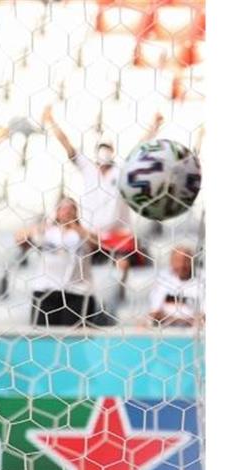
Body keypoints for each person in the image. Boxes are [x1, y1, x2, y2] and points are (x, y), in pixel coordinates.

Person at [43, 105, 163, 276]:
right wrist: (50, 121)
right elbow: (67, 146)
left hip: (118, 237)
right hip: (91, 237)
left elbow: (140, 148)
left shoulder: (121, 171)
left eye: (108, 147)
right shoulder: (88, 168)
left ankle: (118, 292)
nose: (104, 151)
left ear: (113, 151)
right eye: (102, 147)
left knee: (122, 261)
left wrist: (155, 126)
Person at [16, 197, 101, 327]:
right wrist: (41, 227)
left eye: (71, 208)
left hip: (77, 292)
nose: (67, 211)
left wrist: (75, 227)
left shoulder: (83, 234)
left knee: (74, 340)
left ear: (77, 212)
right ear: (56, 211)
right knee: (43, 339)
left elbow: (97, 244)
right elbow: (20, 239)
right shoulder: (47, 232)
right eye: (63, 208)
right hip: (46, 292)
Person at [147, 243, 204, 327]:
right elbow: (155, 313)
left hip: (193, 329)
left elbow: (203, 317)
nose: (181, 265)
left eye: (186, 260)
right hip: (166, 328)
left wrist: (174, 319)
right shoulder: (163, 278)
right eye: (177, 260)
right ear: (171, 262)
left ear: (193, 261)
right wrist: (180, 320)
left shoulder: (203, 279)